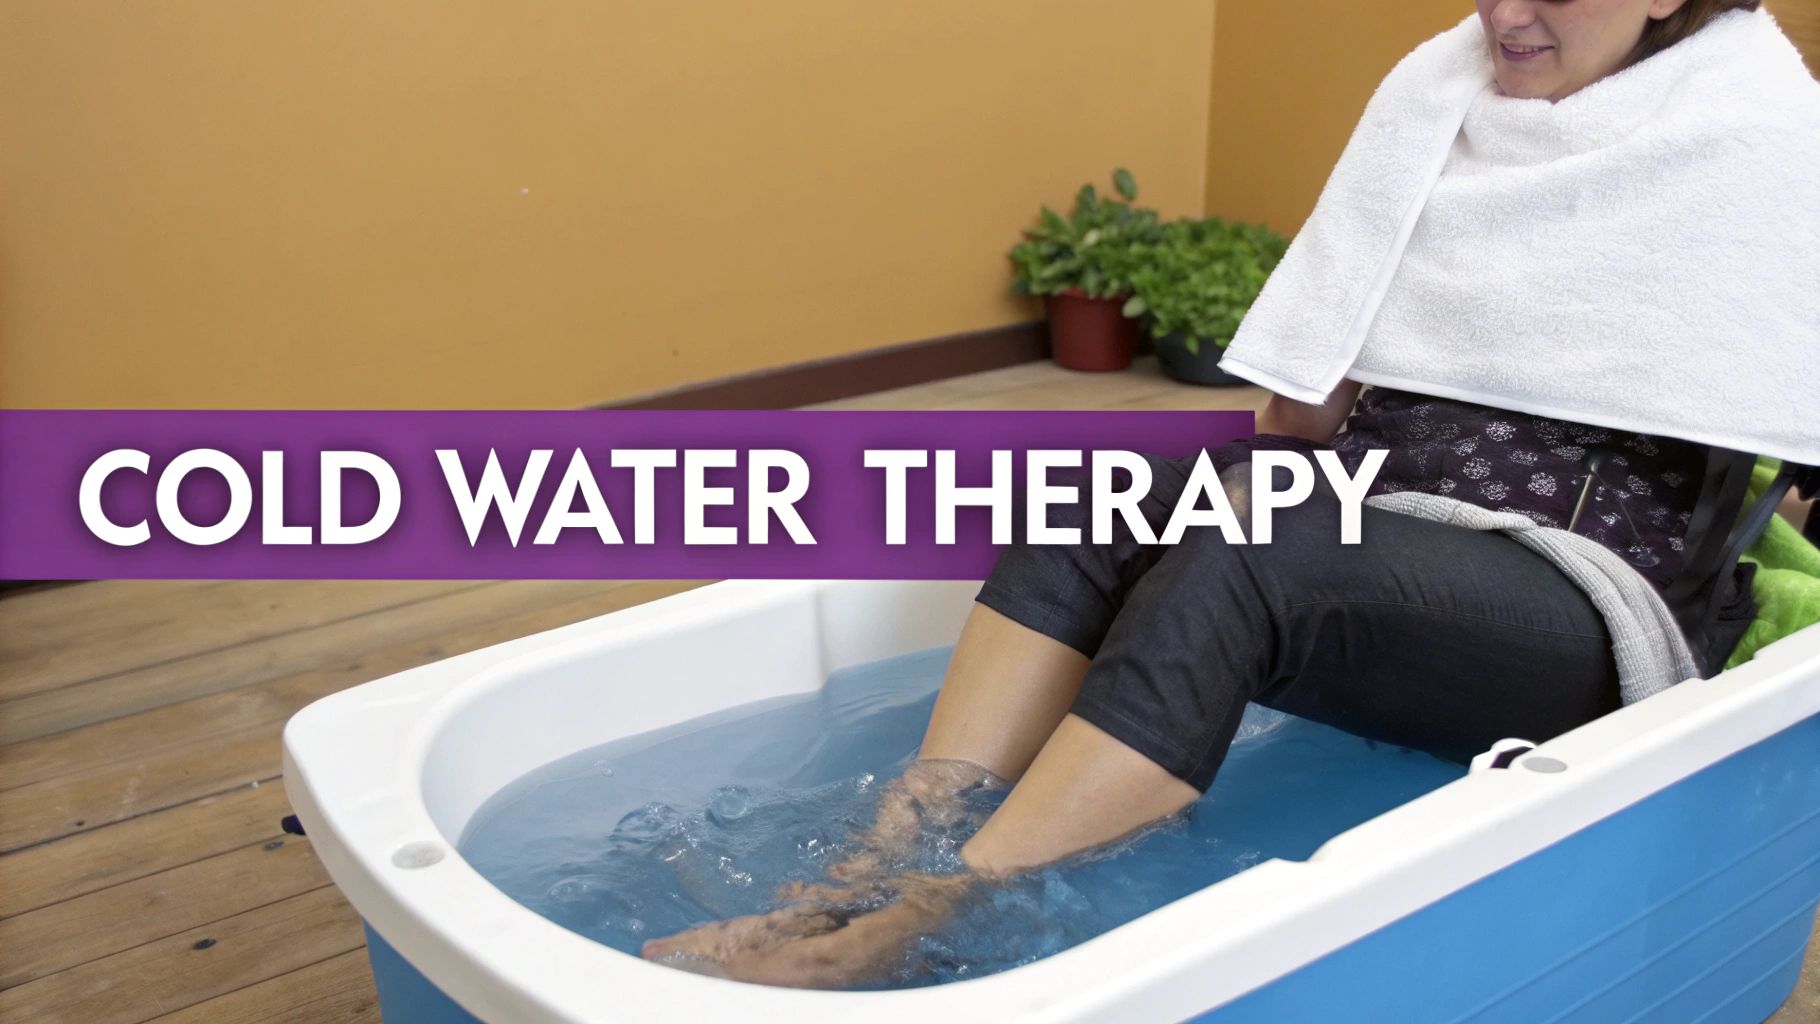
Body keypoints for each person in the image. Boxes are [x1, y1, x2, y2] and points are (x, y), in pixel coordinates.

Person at [642, 0, 1817, 987]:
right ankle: (866, 867)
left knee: (1252, 556)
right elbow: (1305, 403)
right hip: (1383, 501)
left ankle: (919, 925)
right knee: (1096, 497)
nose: (1504, 12)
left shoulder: (1752, 134)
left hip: (1585, 591)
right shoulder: (1441, 92)